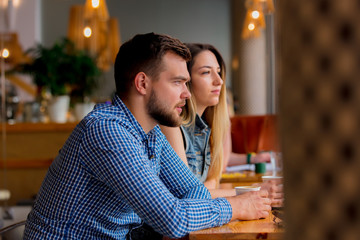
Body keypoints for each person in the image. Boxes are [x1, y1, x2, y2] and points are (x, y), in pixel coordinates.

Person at [23, 33, 271, 239]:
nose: (186, 94)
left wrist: (243, 201)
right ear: (142, 84)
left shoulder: (151, 133)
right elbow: (171, 220)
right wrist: (236, 206)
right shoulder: (107, 130)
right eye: (178, 82)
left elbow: (193, 192)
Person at [160, 43, 282, 202]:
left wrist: (222, 116)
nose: (219, 81)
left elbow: (215, 176)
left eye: (218, 72)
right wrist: (256, 191)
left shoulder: (205, 126)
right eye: (206, 72)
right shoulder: (172, 124)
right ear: (186, 80)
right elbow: (189, 196)